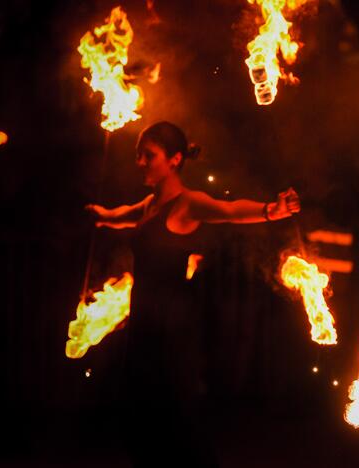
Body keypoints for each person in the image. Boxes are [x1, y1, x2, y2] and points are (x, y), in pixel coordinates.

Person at [86, 121, 300, 467]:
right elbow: (122, 216)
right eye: (139, 155)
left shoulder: (187, 204)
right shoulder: (149, 205)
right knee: (139, 424)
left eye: (149, 155)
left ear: (175, 159)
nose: (141, 162)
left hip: (172, 332)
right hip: (143, 327)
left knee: (178, 424)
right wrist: (102, 216)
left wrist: (270, 210)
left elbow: (229, 212)